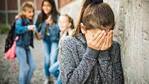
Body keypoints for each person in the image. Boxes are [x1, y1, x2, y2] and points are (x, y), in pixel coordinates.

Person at [59, 0, 124, 84]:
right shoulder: (69, 44)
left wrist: (104, 54)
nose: (102, 40)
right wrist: (91, 53)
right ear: (83, 28)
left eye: (106, 35)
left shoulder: (114, 47)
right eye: (97, 36)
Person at [35, 0, 60, 83]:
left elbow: (59, 30)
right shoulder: (40, 16)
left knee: (53, 59)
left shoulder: (57, 16)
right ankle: (47, 77)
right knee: (47, 60)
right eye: (44, 5)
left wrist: (52, 24)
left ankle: (57, 77)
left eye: (48, 5)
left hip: (54, 41)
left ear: (52, 6)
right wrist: (45, 23)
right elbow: (37, 29)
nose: (46, 7)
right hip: (46, 40)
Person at [49, 14, 75, 84]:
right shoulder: (63, 33)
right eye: (59, 22)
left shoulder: (71, 34)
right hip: (62, 61)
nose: (60, 24)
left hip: (67, 64)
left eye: (63, 22)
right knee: (51, 70)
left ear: (69, 24)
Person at [15, 1, 36, 84]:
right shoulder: (20, 19)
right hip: (20, 47)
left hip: (26, 48)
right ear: (23, 12)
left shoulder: (30, 21)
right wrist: (27, 28)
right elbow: (17, 29)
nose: (32, 13)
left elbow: (34, 32)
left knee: (32, 66)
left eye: (33, 11)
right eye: (29, 12)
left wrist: (36, 32)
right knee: (24, 69)